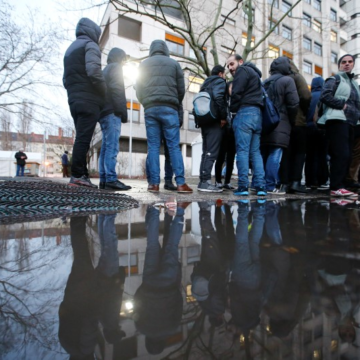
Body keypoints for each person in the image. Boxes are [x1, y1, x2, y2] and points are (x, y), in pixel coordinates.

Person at [136, 39, 192, 193]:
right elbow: (181, 89)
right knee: (173, 146)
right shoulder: (174, 64)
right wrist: (173, 102)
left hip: (151, 109)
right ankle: (180, 183)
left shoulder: (143, 65)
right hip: (169, 108)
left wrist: (146, 102)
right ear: (165, 49)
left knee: (153, 147)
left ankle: (153, 184)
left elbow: (138, 89)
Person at [63, 18, 107, 188]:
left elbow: (65, 78)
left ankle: (81, 174)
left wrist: (74, 92)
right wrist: (103, 92)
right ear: (94, 32)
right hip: (88, 99)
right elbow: (94, 71)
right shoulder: (90, 45)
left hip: (74, 99)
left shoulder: (71, 48)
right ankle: (78, 175)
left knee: (81, 137)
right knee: (83, 138)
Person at [318, 54, 360, 197]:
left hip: (351, 123)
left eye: (349, 62)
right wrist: (341, 105)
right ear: (339, 65)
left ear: (353, 64)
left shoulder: (354, 84)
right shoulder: (335, 79)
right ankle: (336, 187)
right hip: (337, 120)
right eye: (344, 62)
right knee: (341, 154)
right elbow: (325, 95)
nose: (347, 64)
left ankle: (341, 185)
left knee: (348, 156)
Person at [226, 54, 266, 196]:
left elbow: (236, 93)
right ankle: (260, 187)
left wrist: (232, 111)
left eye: (232, 64)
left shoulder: (243, 71)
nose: (230, 68)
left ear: (240, 61)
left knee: (242, 151)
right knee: (255, 152)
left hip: (244, 113)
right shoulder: (256, 75)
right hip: (257, 115)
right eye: (228, 66)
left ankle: (243, 187)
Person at [261, 56, 299, 195]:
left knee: (263, 154)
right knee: (275, 154)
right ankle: (270, 186)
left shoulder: (265, 82)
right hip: (281, 122)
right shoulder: (287, 80)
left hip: (265, 123)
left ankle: (260, 184)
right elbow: (293, 103)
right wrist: (292, 119)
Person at [98, 47, 131, 191]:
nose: (124, 63)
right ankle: (111, 179)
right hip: (112, 112)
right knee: (112, 147)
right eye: (124, 59)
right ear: (120, 58)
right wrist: (122, 112)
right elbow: (118, 90)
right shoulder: (116, 68)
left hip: (103, 112)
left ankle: (104, 180)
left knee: (105, 147)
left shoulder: (105, 70)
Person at [279, 61, 312, 194]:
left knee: (286, 153)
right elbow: (306, 95)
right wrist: (304, 110)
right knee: (299, 153)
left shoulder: (279, 79)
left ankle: (285, 183)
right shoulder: (297, 77)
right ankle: (296, 182)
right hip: (298, 121)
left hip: (284, 122)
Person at [197, 65, 228, 193]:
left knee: (206, 152)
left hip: (204, 120)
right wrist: (223, 117)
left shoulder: (205, 83)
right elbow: (219, 97)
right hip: (214, 120)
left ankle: (202, 180)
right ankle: (206, 182)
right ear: (221, 74)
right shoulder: (219, 81)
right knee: (212, 152)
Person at [305, 76, 329, 190]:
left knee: (310, 156)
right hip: (321, 128)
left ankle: (309, 180)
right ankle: (321, 180)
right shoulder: (324, 96)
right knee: (321, 155)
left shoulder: (308, 96)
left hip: (308, 128)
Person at [215, 82, 236, 191]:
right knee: (220, 157)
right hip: (223, 132)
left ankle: (227, 181)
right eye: (231, 87)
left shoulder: (236, 100)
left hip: (233, 133)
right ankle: (218, 181)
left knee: (231, 158)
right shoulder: (223, 100)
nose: (233, 89)